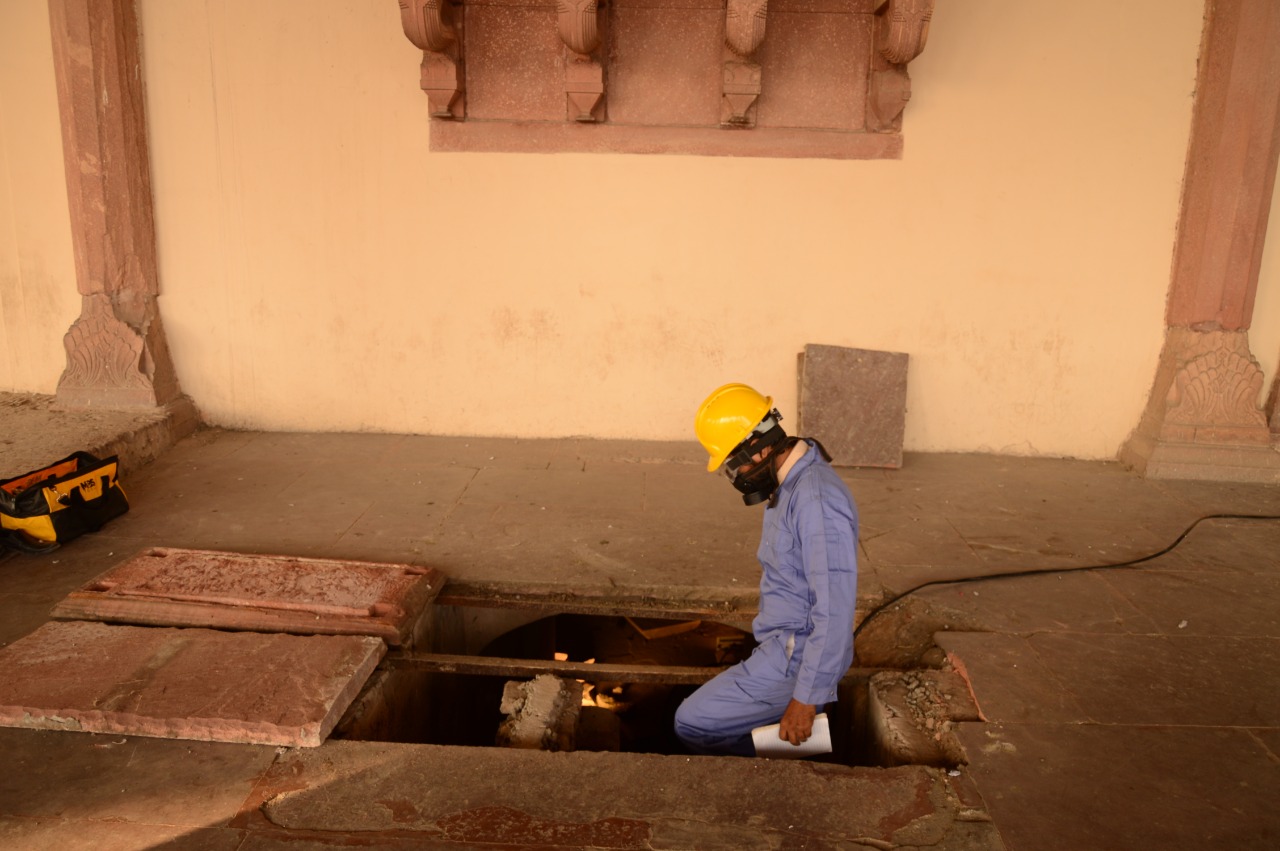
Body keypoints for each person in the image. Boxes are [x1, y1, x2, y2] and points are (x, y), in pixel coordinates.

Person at [674, 383, 859, 756]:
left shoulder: (815, 502)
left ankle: (787, 764)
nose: (737, 474)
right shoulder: (792, 482)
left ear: (758, 447)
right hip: (781, 643)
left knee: (693, 723)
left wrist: (805, 699)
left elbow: (835, 609)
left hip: (796, 656)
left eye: (733, 463)